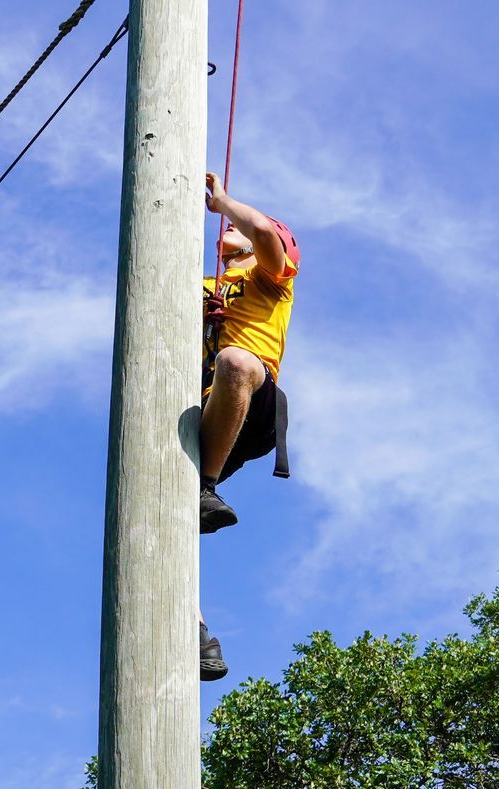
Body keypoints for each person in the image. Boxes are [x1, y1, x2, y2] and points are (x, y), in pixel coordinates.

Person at [197, 170, 300, 681]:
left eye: (235, 228)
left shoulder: (270, 278)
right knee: (166, 516)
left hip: (251, 404)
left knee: (236, 361)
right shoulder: (203, 287)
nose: (228, 231)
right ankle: (196, 631)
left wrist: (222, 203)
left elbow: (260, 230)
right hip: (205, 410)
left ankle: (206, 485)